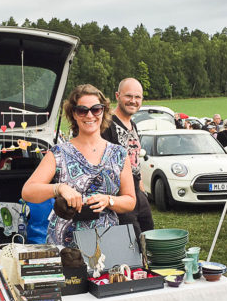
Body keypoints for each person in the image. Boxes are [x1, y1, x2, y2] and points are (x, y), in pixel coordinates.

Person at [21, 84, 136, 247]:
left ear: (103, 111)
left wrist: (109, 200)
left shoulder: (119, 154)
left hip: (106, 241)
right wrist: (59, 188)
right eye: (82, 110)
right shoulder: (59, 153)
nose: (89, 115)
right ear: (74, 114)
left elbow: (130, 201)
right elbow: (28, 192)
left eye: (96, 109)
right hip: (64, 244)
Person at [101, 78, 155, 240]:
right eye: (128, 96)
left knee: (150, 236)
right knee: (133, 240)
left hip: (137, 192)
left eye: (137, 97)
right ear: (117, 96)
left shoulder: (133, 125)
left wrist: (142, 189)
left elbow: (135, 159)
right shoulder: (107, 125)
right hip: (120, 195)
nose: (133, 101)